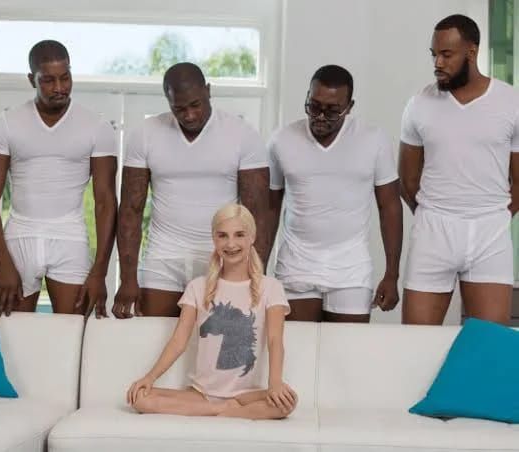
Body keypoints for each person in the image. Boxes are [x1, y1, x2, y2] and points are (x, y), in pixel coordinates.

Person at [114, 62, 270, 318]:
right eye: (179, 108)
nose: (189, 115)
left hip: (221, 255)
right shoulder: (145, 134)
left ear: (208, 91)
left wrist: (254, 274)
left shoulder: (242, 134)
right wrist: (128, 278)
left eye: (195, 105)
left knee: (218, 338)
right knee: (155, 334)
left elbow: (258, 214)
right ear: (168, 101)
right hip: (163, 255)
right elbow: (131, 210)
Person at [0, 40, 117, 318]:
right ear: (32, 79)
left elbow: (105, 201)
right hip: (20, 235)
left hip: (69, 236)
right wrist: (3, 264)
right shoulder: (7, 122)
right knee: (13, 332)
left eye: (65, 77)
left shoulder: (96, 125)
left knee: (74, 331)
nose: (59, 87)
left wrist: (100, 271)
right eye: (48, 80)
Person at [399, 15, 519, 325]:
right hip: (433, 230)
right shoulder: (419, 104)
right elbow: (407, 180)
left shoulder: (511, 102)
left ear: (472, 52)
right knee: (415, 341)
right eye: (434, 54)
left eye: (446, 54)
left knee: (488, 342)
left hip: (490, 232)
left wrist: (494, 215)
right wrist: (436, 213)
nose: (437, 63)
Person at [127, 204, 296, 420]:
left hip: (246, 395)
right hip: (201, 394)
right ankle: (225, 410)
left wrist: (275, 383)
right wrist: (150, 377)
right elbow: (178, 341)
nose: (231, 243)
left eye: (239, 235)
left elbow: (274, 340)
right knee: (140, 399)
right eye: (222, 235)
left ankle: (222, 410)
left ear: (252, 237)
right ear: (214, 239)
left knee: (288, 402)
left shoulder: (271, 288)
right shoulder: (197, 287)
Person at [268, 65, 403, 322]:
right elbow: (269, 208)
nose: (320, 116)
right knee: (297, 344)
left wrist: (392, 274)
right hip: (296, 265)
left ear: (349, 107)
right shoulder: (281, 140)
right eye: (314, 106)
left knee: (348, 346)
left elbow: (390, 207)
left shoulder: (373, 139)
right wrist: (256, 273)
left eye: (331, 111)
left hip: (351, 268)